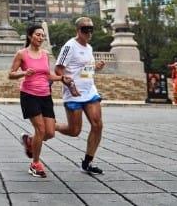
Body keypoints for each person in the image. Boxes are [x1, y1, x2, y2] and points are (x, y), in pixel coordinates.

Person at [8, 24, 75, 178]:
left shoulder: (45, 54)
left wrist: (61, 78)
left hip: (45, 95)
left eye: (42, 35)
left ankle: (30, 140)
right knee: (41, 130)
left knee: (50, 132)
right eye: (38, 35)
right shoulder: (22, 54)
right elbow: (11, 74)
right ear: (30, 36)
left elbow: (47, 75)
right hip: (29, 95)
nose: (41, 38)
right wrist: (24, 73)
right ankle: (35, 164)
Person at [55, 17, 106, 174]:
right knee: (74, 130)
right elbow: (58, 69)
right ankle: (51, 126)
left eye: (91, 29)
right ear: (78, 30)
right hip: (73, 94)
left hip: (89, 92)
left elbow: (83, 73)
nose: (89, 32)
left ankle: (88, 162)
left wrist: (94, 67)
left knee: (97, 125)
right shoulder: (69, 46)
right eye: (85, 29)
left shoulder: (89, 48)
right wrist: (68, 83)